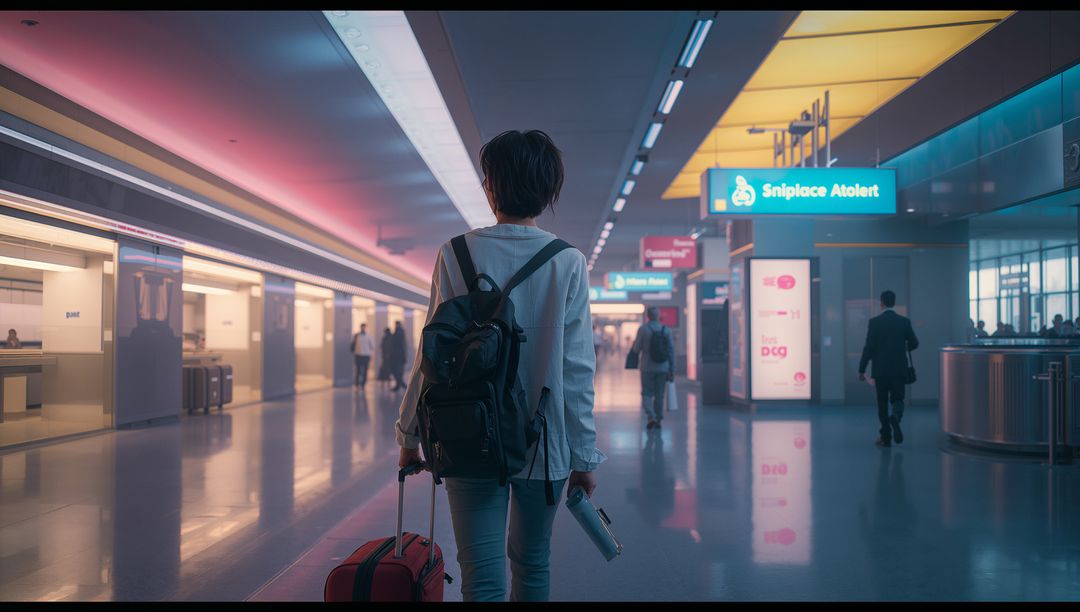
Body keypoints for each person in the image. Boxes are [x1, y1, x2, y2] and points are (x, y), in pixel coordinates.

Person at [396, 129, 604, 602]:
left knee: (482, 577)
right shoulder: (568, 261)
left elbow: (431, 356)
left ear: (490, 187)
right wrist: (584, 457)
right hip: (544, 443)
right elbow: (577, 370)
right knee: (532, 564)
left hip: (469, 432)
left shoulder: (455, 253)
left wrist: (409, 436)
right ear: (549, 191)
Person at [858, 290, 919, 447]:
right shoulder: (904, 322)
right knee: (898, 399)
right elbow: (914, 343)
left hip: (880, 370)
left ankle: (885, 437)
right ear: (894, 302)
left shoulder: (874, 322)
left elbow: (868, 348)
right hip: (899, 369)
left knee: (882, 403)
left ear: (882, 303)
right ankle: (896, 416)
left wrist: (862, 369)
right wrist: (901, 347)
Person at [632, 306, 675, 430]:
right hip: (663, 367)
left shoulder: (643, 329)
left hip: (647, 367)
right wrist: (672, 368)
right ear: (658, 316)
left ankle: (651, 417)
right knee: (659, 394)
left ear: (648, 316)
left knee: (646, 393)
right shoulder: (666, 330)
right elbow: (671, 351)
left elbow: (636, 349)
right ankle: (659, 419)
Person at [350, 323, 375, 388]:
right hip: (358, 355)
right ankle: (357, 384)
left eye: (364, 327)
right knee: (358, 370)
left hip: (366, 356)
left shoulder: (369, 337)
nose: (363, 328)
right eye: (362, 327)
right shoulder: (357, 336)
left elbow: (372, 346)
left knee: (365, 370)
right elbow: (353, 345)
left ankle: (363, 384)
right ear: (360, 328)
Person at [390, 321, 408, 391]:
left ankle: (402, 385)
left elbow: (401, 345)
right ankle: (399, 385)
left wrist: (404, 356)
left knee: (398, 371)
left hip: (398, 356)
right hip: (398, 356)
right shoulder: (398, 332)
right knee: (397, 371)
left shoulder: (399, 332)